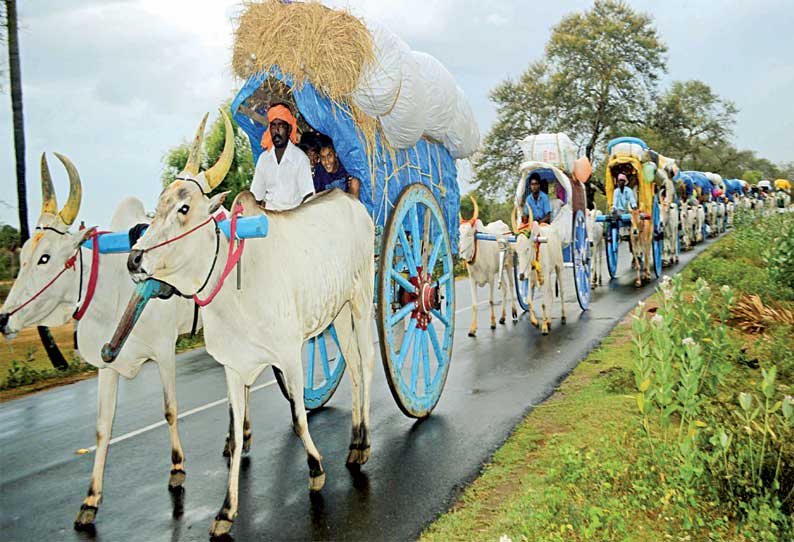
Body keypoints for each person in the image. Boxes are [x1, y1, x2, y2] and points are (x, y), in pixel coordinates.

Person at [250, 103, 314, 211]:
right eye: (273, 126)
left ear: (289, 129)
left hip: (292, 219)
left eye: (281, 125)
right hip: (270, 219)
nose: (276, 131)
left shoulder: (300, 159)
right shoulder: (264, 159)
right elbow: (256, 197)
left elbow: (308, 197)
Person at [313, 134, 361, 200]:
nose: (327, 162)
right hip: (331, 205)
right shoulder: (319, 171)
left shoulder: (345, 165)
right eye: (323, 157)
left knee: (355, 182)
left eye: (329, 156)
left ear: (335, 153)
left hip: (347, 203)